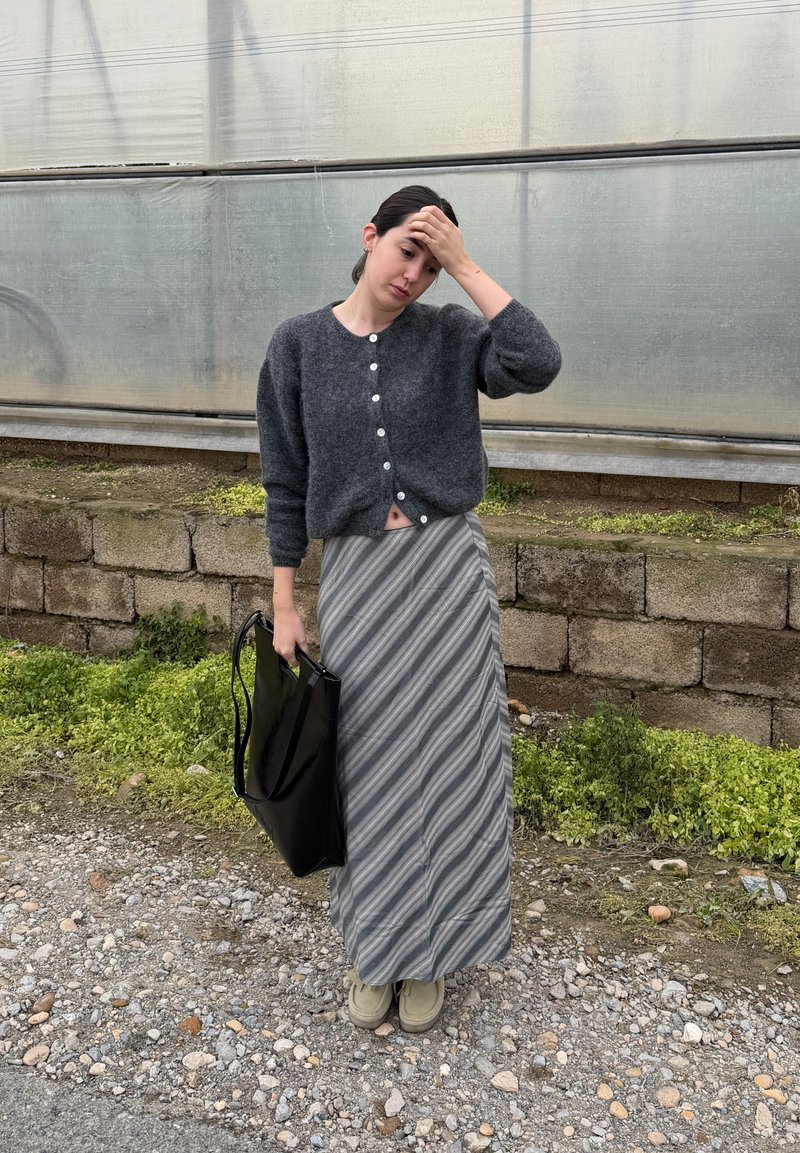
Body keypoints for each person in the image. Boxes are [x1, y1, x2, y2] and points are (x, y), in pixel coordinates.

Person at [257, 184, 561, 1033]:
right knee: (372, 763)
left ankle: (431, 953)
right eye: (406, 252)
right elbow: (284, 481)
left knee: (456, 761)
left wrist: (466, 265)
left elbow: (537, 362)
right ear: (370, 236)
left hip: (449, 578)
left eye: (430, 264)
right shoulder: (299, 346)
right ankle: (378, 948)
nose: (414, 274)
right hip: (358, 580)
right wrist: (286, 603)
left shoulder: (454, 334)